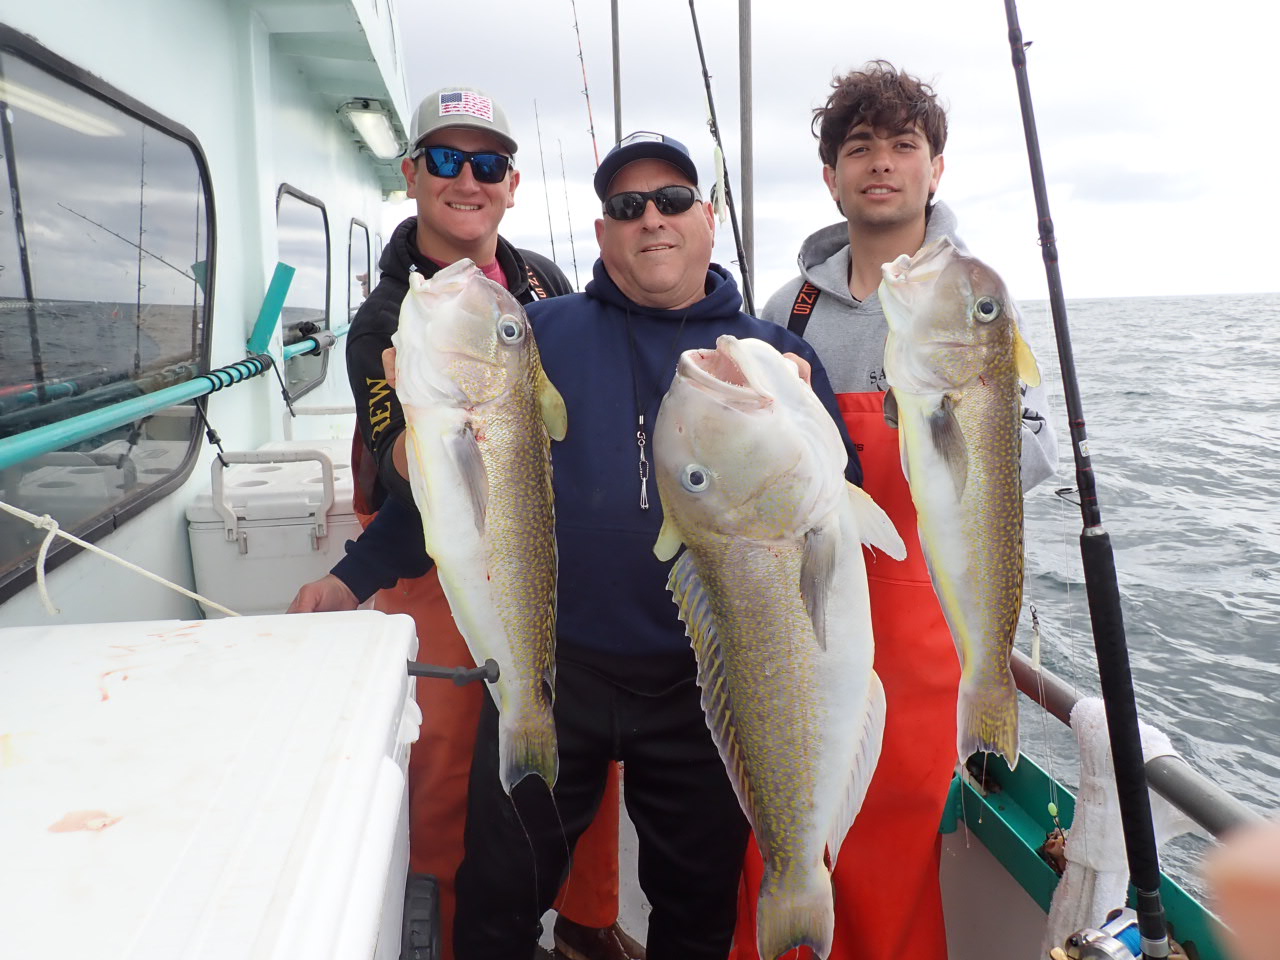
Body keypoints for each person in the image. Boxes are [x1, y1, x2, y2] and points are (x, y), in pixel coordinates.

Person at [346, 130, 863, 960]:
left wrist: (800, 421)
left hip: (706, 684)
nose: (651, 218)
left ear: (708, 217)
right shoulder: (532, 332)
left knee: (695, 920)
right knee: (496, 900)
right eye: (627, 207)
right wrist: (351, 575)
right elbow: (459, 494)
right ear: (602, 234)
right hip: (557, 668)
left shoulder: (777, 357)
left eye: (671, 200)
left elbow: (840, 513)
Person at [287, 86, 641, 960]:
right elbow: (408, 469)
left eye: (486, 164)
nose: (466, 180)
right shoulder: (383, 321)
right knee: (445, 784)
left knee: (583, 760)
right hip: (432, 561)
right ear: (411, 174)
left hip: (547, 552)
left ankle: (589, 926)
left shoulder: (547, 288)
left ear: (512, 184)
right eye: (445, 159)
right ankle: (445, 939)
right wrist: (355, 571)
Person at [727, 61, 1058, 960]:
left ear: (935, 167)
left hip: (919, 629)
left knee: (894, 854)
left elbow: (1028, 452)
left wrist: (950, 419)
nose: (881, 164)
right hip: (800, 611)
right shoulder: (786, 308)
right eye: (858, 148)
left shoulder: (974, 297)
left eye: (903, 145)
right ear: (831, 174)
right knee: (785, 833)